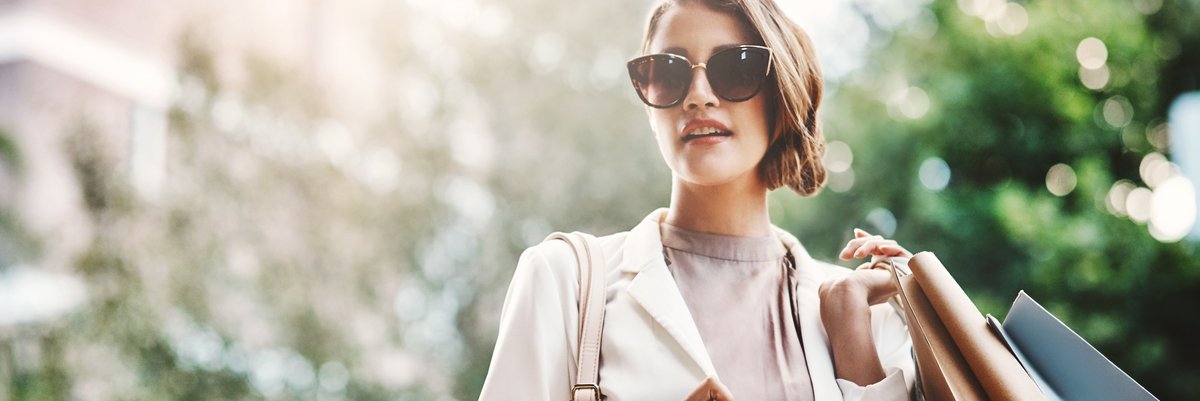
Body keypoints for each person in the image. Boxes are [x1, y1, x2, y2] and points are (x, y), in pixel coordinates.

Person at [478, 0, 915, 400]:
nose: (698, 95)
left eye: (737, 69)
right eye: (668, 72)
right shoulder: (563, 281)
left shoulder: (872, 313)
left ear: (782, 100)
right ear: (650, 108)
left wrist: (852, 330)